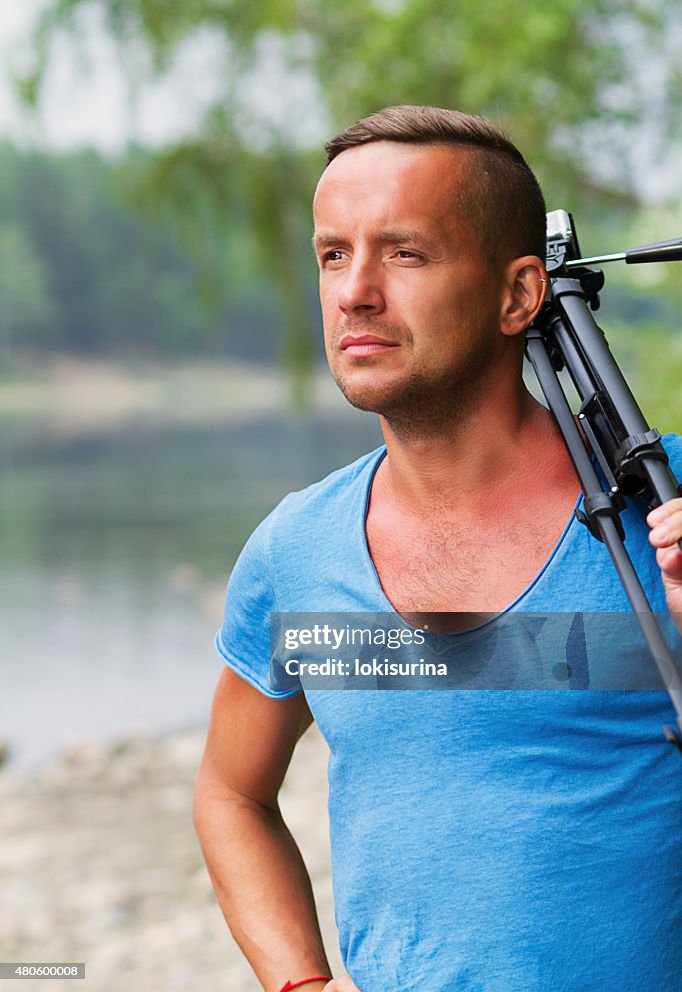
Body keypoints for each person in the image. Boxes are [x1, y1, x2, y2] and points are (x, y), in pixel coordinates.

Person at [193, 106, 682, 992]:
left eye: (405, 253)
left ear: (518, 294)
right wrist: (300, 982)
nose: (355, 291)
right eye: (334, 253)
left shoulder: (664, 507)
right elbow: (231, 795)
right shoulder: (294, 552)